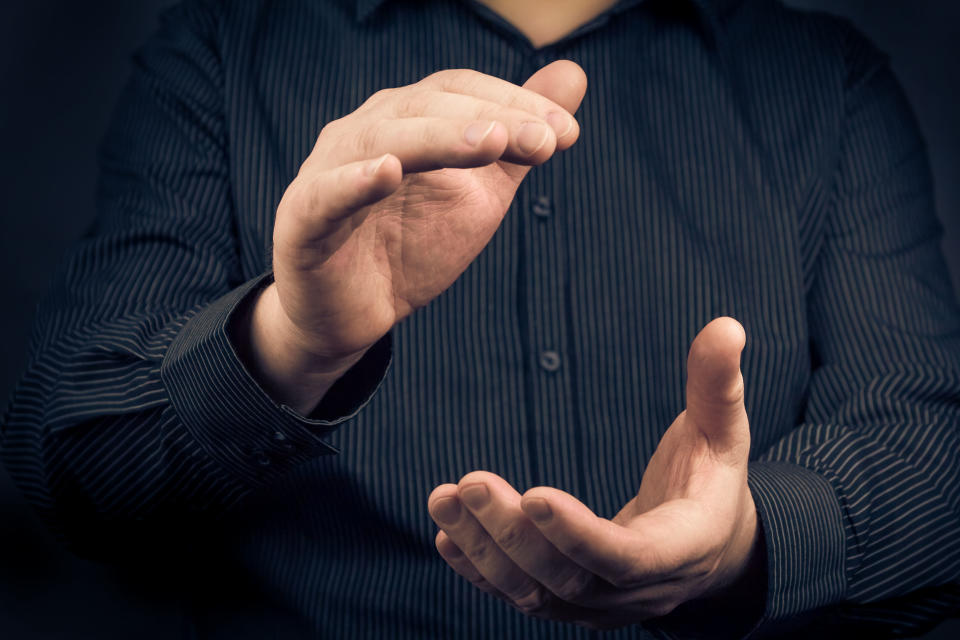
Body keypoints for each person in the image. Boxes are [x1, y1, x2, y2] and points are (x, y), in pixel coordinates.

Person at [2, 0, 959, 637]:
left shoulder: (821, 78)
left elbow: (931, 451)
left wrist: (745, 542)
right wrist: (292, 342)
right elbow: (68, 478)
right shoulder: (224, 48)